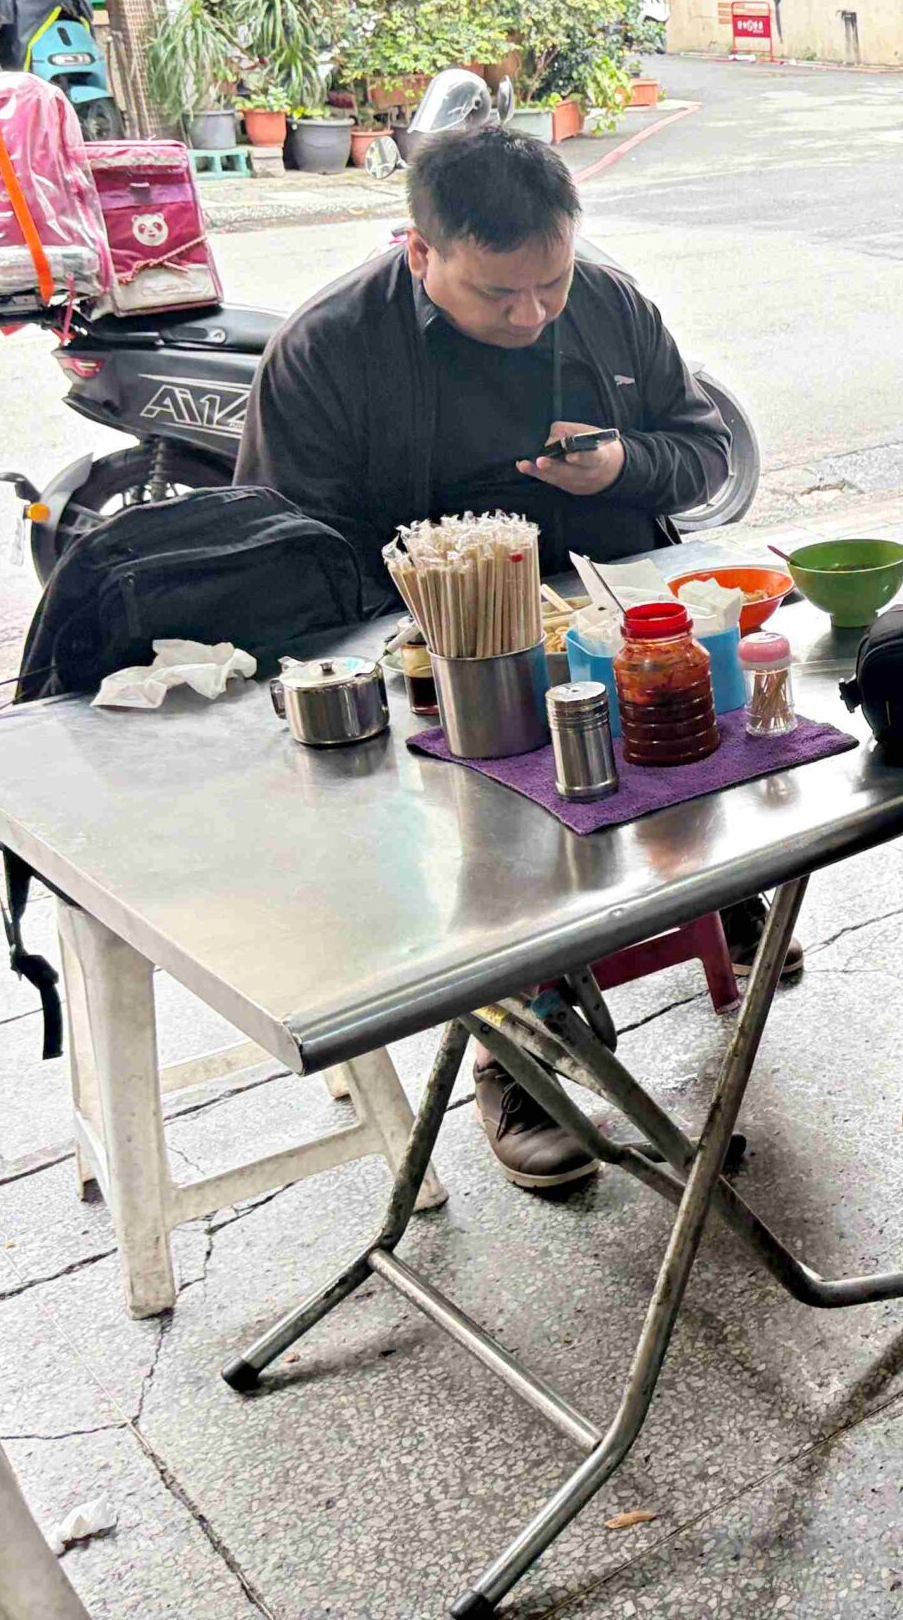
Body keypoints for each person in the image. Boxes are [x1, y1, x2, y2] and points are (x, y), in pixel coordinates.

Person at [238, 125, 780, 1191]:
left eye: (552, 283)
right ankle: (518, 1050)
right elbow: (285, 546)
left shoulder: (611, 305)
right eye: (499, 294)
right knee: (489, 825)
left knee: (710, 712)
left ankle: (722, 893)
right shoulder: (330, 350)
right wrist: (422, 619)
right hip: (438, 647)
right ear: (418, 252)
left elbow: (706, 449)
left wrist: (626, 464)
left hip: (616, 610)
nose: (533, 313)